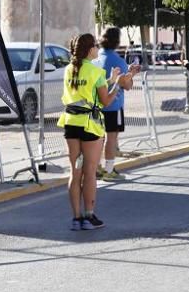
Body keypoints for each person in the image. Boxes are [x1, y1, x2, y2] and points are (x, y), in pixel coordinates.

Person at [58, 33, 128, 230]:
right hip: (90, 125)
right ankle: (89, 216)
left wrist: (109, 79)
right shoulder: (95, 71)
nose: (98, 49)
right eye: (95, 46)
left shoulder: (69, 70)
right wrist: (117, 84)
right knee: (89, 172)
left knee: (75, 171)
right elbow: (106, 101)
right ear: (90, 50)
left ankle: (76, 219)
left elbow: (85, 89)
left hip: (71, 123)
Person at [94, 27, 141, 181]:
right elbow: (126, 85)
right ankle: (109, 170)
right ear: (116, 41)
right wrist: (132, 74)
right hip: (113, 104)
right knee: (111, 137)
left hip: (96, 105)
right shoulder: (118, 60)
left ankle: (96, 167)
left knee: (98, 138)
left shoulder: (95, 59)